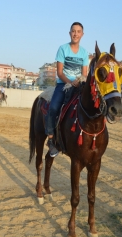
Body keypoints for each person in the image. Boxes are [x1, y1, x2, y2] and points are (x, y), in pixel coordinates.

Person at [45, 22, 89, 157]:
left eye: (78, 31)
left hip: (79, 84)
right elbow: (59, 72)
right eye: (73, 31)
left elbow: (84, 74)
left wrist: (79, 81)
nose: (75, 34)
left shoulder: (84, 52)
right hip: (63, 84)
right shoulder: (63, 49)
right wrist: (70, 82)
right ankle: (51, 139)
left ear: (82, 34)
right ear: (70, 33)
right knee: (53, 108)